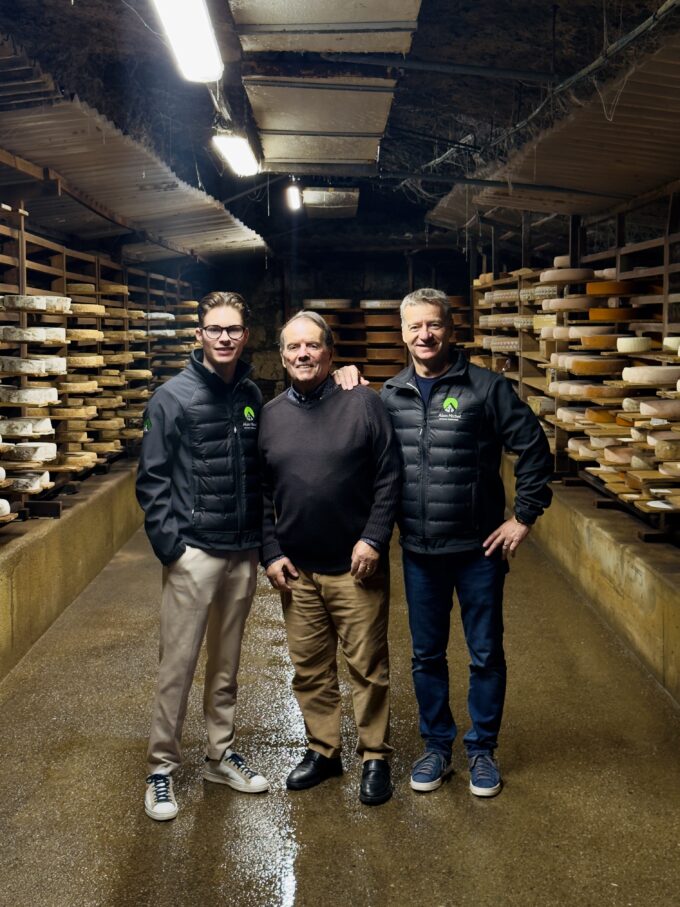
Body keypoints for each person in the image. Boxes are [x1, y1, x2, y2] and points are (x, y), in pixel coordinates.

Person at [379, 288, 553, 797]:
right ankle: (436, 749)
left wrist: (522, 517)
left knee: (484, 654)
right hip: (419, 551)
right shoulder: (390, 394)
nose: (424, 335)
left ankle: (481, 751)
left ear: (450, 330)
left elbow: (535, 450)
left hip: (479, 552)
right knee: (426, 655)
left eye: (433, 325)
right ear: (403, 333)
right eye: (414, 327)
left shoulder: (486, 389)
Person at [136, 291, 269, 821]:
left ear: (245, 334)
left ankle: (219, 755)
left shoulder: (252, 393)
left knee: (227, 663)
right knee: (179, 665)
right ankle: (161, 770)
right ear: (199, 335)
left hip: (242, 551)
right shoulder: (171, 398)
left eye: (234, 329)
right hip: (195, 553)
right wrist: (174, 549)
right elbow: (152, 479)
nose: (224, 337)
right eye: (214, 329)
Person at [259, 310, 401, 806]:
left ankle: (375, 756)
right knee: (311, 669)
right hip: (297, 571)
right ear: (282, 357)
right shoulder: (272, 415)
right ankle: (324, 751)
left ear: (329, 352)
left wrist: (375, 538)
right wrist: (271, 552)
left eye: (312, 346)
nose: (303, 354)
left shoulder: (362, 402)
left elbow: (389, 475)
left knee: (367, 667)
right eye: (293, 347)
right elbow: (260, 492)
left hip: (355, 565)